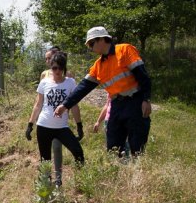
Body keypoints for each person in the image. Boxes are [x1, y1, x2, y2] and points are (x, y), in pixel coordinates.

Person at [55, 26, 151, 156]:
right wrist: (65, 105)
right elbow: (83, 88)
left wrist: (146, 99)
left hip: (135, 102)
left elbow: (143, 75)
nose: (90, 47)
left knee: (136, 147)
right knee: (113, 147)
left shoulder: (124, 50)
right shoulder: (98, 65)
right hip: (117, 105)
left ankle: (136, 173)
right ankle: (118, 173)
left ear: (101, 40)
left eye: (91, 43)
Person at [26, 52, 85, 184]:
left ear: (64, 68)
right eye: (54, 68)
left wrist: (79, 125)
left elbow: (74, 105)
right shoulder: (44, 82)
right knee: (45, 160)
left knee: (78, 152)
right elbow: (38, 104)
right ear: (50, 68)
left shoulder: (70, 83)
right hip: (44, 126)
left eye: (60, 67)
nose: (57, 71)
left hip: (62, 128)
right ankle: (46, 188)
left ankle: (80, 182)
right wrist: (30, 124)